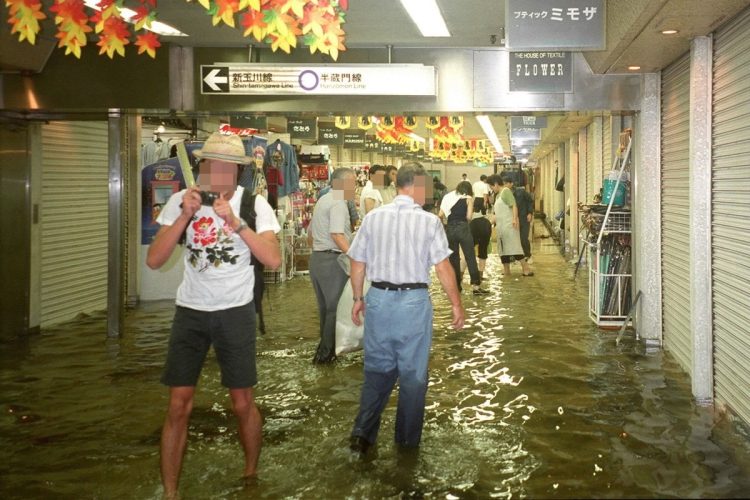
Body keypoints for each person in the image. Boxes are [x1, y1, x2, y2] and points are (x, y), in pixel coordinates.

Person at [146, 132, 282, 498]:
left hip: (235, 311)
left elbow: (273, 259)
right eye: (210, 165)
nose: (216, 172)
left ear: (236, 171)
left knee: (242, 403)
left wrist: (236, 222)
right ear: (203, 166)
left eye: (224, 166)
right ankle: (171, 491)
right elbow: (154, 259)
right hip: (190, 310)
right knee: (178, 405)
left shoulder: (254, 204)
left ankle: (250, 475)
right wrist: (185, 215)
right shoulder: (180, 201)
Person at [347, 162, 465, 456]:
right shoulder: (429, 222)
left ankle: (363, 435)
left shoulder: (373, 218)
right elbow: (442, 266)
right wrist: (456, 304)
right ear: (415, 185)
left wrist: (358, 298)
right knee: (413, 377)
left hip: (378, 299)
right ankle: (406, 445)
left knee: (377, 370)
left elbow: (357, 262)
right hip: (412, 302)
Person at [309, 167, 357, 364]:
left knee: (324, 309)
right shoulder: (338, 202)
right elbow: (337, 234)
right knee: (335, 308)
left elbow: (310, 236)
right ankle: (325, 355)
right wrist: (354, 256)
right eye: (352, 183)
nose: (354, 187)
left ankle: (324, 348)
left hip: (317, 260)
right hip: (332, 260)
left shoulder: (323, 199)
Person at [438, 181, 489, 295]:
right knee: (470, 256)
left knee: (454, 259)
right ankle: (476, 287)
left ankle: (457, 287)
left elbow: (440, 215)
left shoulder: (448, 197)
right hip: (463, 228)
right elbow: (469, 216)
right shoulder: (468, 198)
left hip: (450, 230)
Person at [488, 174, 533, 277]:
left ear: (495, 184)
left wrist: (514, 219)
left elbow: (514, 205)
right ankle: (506, 270)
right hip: (501, 226)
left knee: (514, 247)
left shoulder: (505, 191)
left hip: (509, 225)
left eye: (491, 186)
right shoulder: (498, 194)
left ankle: (526, 268)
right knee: (503, 249)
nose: (491, 189)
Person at [513, 184, 535, 263]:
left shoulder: (521, 192)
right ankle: (517, 257)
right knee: (515, 239)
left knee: (523, 238)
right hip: (514, 219)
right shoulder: (504, 194)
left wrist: (529, 213)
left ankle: (528, 255)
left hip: (524, 218)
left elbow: (529, 201)